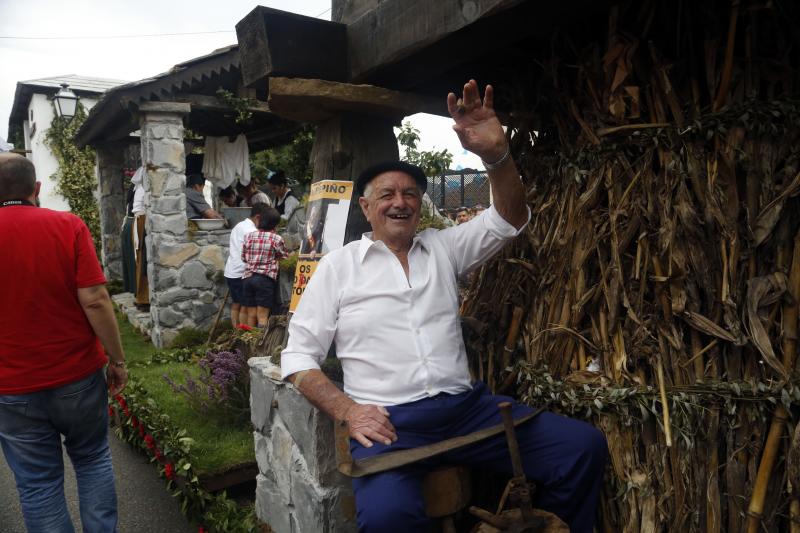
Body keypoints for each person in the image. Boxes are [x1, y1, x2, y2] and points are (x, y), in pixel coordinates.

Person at [280, 80, 607, 532]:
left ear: (420, 205)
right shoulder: (338, 267)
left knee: (582, 448)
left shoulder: (443, 248)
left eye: (411, 193)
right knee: (389, 518)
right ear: (366, 207)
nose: (400, 202)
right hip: (393, 426)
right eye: (387, 194)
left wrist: (496, 156)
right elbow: (297, 357)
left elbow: (509, 218)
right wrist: (349, 411)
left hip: (469, 411)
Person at [0, 152, 128, 532]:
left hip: (11, 386)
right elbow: (95, 298)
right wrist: (117, 360)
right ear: (36, 189)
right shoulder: (68, 226)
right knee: (91, 459)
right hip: (77, 376)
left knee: (38, 483)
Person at [224, 203, 271, 327]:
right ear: (258, 217)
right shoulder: (251, 231)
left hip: (231, 270)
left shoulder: (239, 225)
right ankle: (242, 332)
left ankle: (235, 329)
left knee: (236, 303)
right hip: (241, 271)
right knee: (245, 306)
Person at [241, 206, 288, 327]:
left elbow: (243, 258)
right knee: (262, 316)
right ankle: (260, 342)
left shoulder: (248, 236)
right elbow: (284, 257)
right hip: (264, 280)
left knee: (251, 313)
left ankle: (249, 339)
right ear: (275, 225)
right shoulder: (276, 238)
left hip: (247, 278)